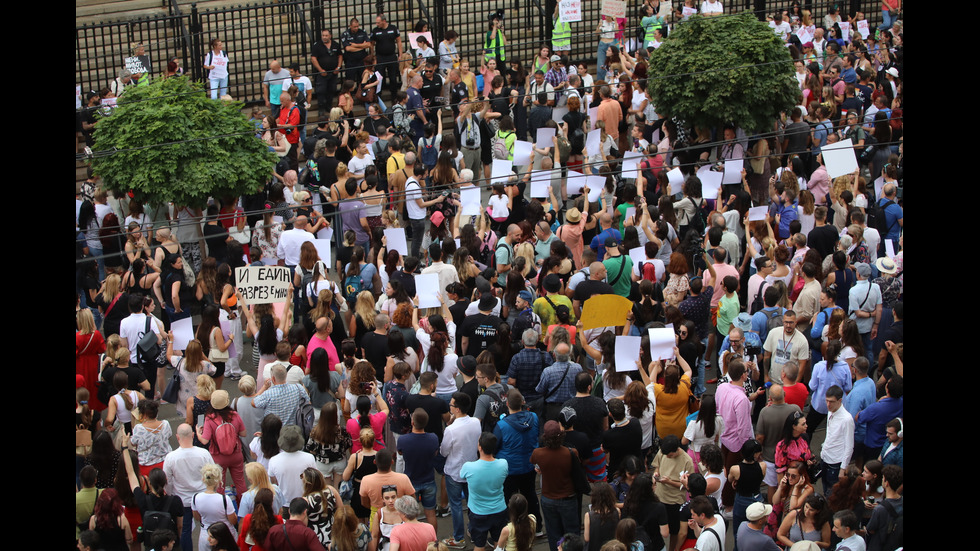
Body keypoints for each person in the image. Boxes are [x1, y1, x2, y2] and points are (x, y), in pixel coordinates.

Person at [163, 423, 216, 551]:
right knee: (210, 526)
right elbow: (213, 474)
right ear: (193, 435)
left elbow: (167, 480)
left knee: (185, 530)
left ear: (177, 437)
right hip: (203, 496)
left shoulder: (171, 457)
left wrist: (171, 494)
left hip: (183, 500)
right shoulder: (204, 453)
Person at [493, 389, 542, 526]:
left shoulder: (502, 425)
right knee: (531, 494)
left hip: (510, 469)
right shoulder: (534, 418)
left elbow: (495, 445)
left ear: (507, 403)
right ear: (523, 402)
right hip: (529, 465)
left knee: (509, 497)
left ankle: (512, 525)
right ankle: (536, 525)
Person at [441, 392, 482, 549]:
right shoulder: (475, 422)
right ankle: (474, 530)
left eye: (451, 405)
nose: (450, 406)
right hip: (472, 468)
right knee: (473, 503)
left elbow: (444, 451)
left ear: (457, 409)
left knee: (456, 505)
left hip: (454, 471)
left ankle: (459, 538)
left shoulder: (451, 430)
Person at [460, 432, 510, 551]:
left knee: (479, 545)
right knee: (499, 542)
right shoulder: (503, 464)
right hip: (499, 510)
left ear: (480, 447)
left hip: (478, 513)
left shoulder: (469, 467)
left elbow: (461, 475)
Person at [191, 463, 238, 551]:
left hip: (205, 535)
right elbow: (233, 520)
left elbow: (197, 517)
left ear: (203, 479)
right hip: (225, 535)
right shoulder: (225, 499)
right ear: (218, 481)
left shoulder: (195, 497)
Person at [729, 439, 766, 550]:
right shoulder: (762, 466)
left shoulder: (736, 469)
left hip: (741, 500)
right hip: (756, 498)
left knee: (738, 530)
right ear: (755, 454)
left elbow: (730, 479)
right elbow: (760, 479)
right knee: (757, 528)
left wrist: (736, 481)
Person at [269, 425, 317, 507]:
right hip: (306, 500)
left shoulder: (273, 460)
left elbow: (274, 482)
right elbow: (314, 479)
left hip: (284, 502)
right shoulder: (309, 458)